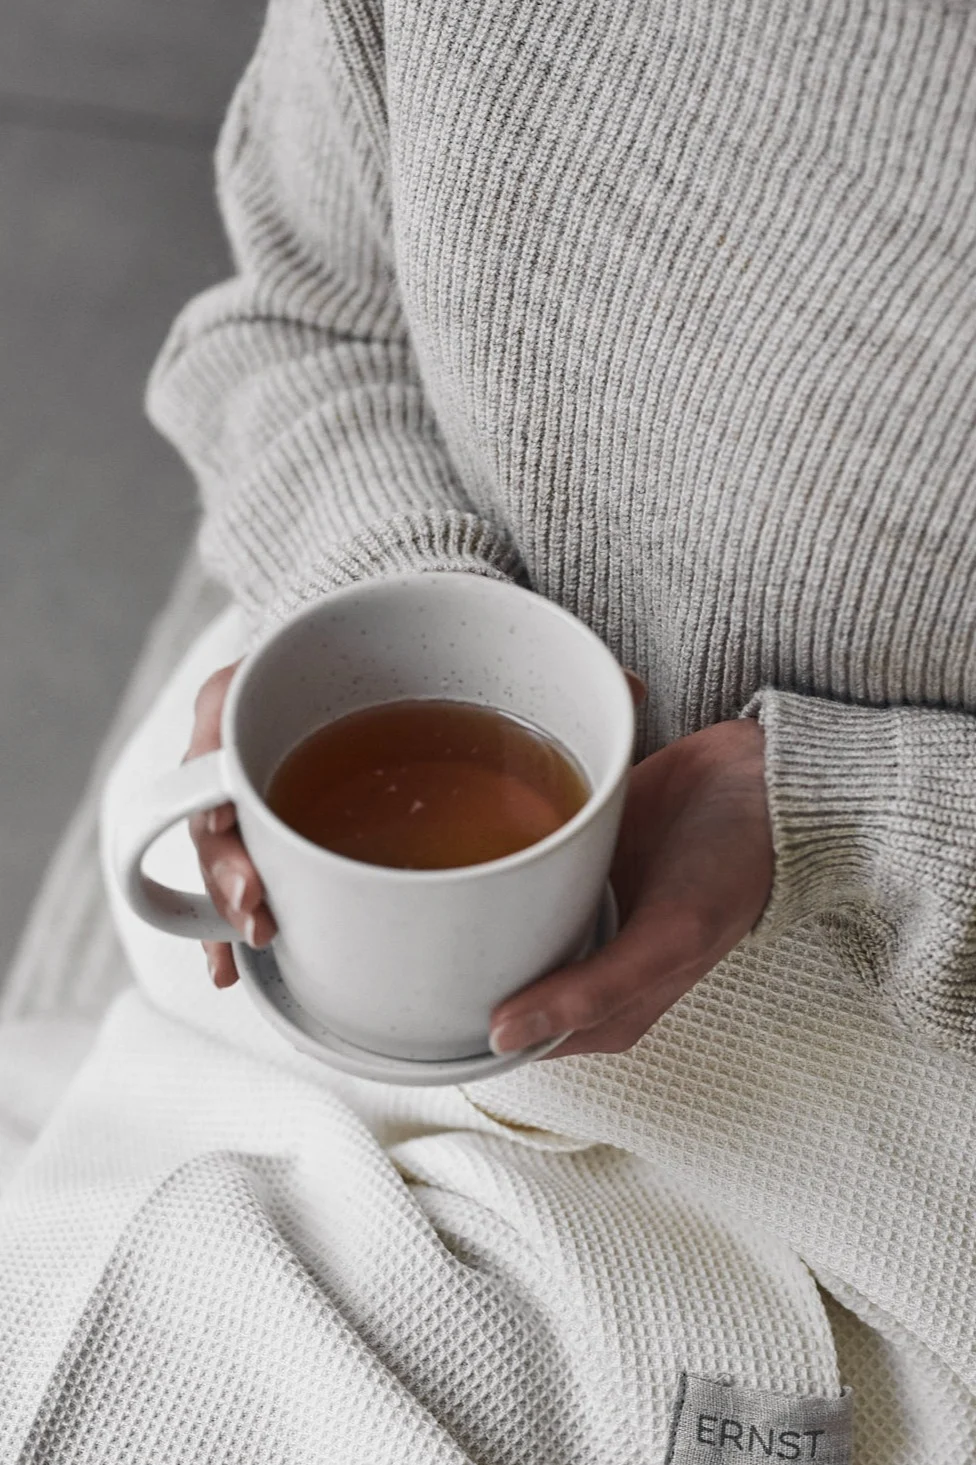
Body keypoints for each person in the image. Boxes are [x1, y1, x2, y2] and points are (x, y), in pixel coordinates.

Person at [2, 0, 975, 1459]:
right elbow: (304, 313)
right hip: (345, 958)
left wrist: (841, 814)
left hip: (888, 1061)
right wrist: (379, 609)